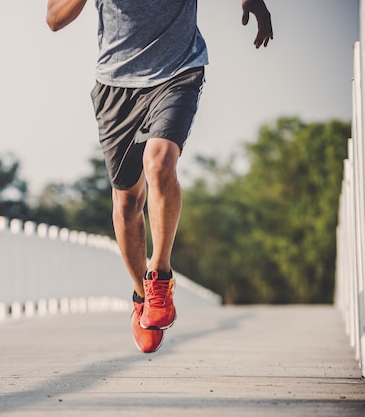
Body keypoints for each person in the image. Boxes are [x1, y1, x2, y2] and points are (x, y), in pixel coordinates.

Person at [46, 0, 273, 353]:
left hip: (178, 69)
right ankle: (141, 296)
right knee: (126, 204)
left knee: (160, 161)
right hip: (115, 84)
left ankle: (160, 277)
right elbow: (54, 18)